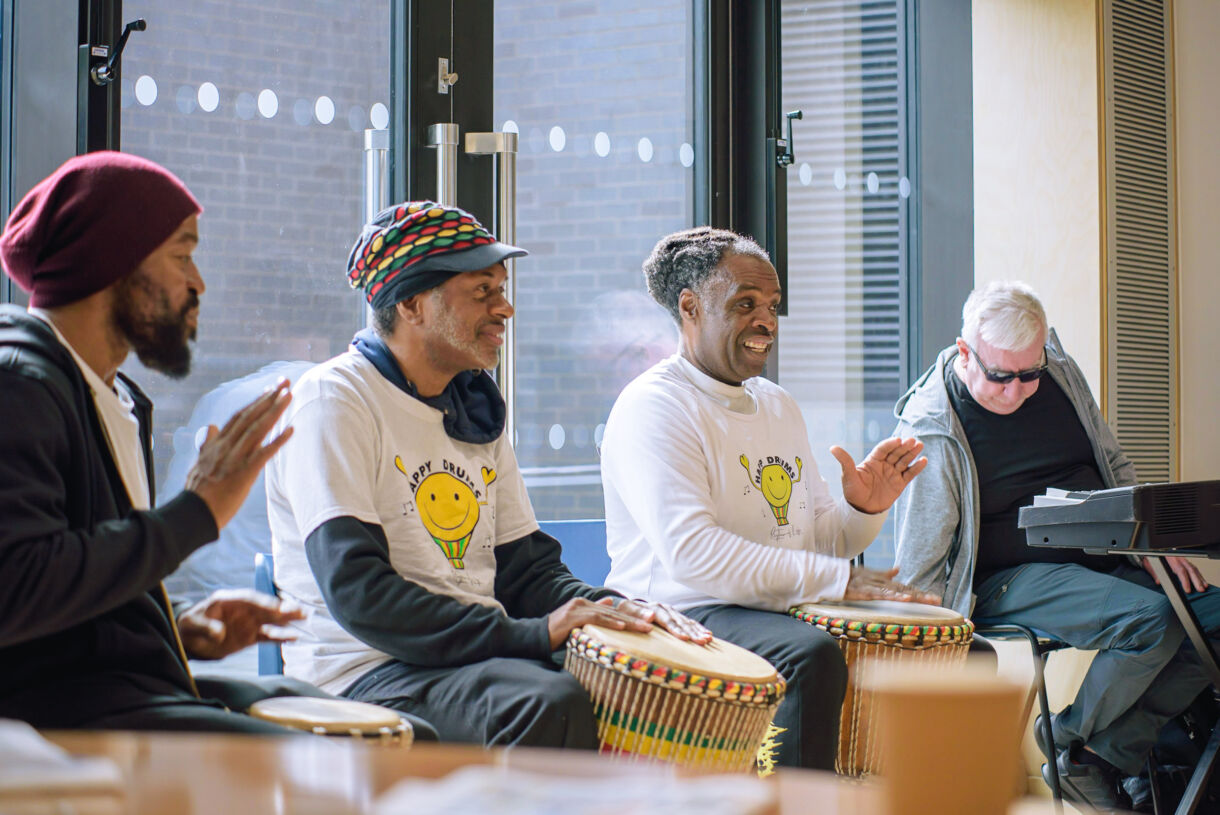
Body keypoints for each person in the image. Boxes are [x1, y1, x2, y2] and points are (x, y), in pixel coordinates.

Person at [265, 201, 711, 748]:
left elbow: (525, 572)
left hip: (474, 659)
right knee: (548, 702)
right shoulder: (334, 400)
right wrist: (532, 635)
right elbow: (362, 596)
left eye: (501, 289)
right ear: (410, 303)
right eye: (483, 291)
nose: (506, 309)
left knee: (644, 687)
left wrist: (610, 607)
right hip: (367, 673)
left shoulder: (472, 405)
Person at [0, 151, 343, 734]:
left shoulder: (115, 397)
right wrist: (197, 512)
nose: (198, 281)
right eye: (182, 255)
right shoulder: (19, 386)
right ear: (115, 264)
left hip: (119, 685)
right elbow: (17, 587)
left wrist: (173, 624)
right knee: (341, 769)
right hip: (60, 710)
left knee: (379, 733)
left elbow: (76, 584)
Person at [598, 226, 938, 771]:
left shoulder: (777, 405)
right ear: (690, 307)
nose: (766, 321)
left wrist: (864, 508)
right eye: (746, 304)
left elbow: (821, 538)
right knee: (810, 656)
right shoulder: (653, 407)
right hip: (680, 610)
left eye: (773, 305)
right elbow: (694, 556)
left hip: (768, 607)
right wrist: (840, 582)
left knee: (971, 655)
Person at [892, 280, 1220, 811]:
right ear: (964, 353)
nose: (1017, 390)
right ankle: (1064, 739)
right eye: (1001, 376)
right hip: (1007, 577)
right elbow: (921, 561)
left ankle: (1099, 756)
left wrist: (1152, 545)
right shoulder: (932, 425)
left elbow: (1114, 465)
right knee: (1153, 622)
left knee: (1214, 618)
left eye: (1029, 374)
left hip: (1106, 550)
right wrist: (928, 654)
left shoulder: (1058, 371)